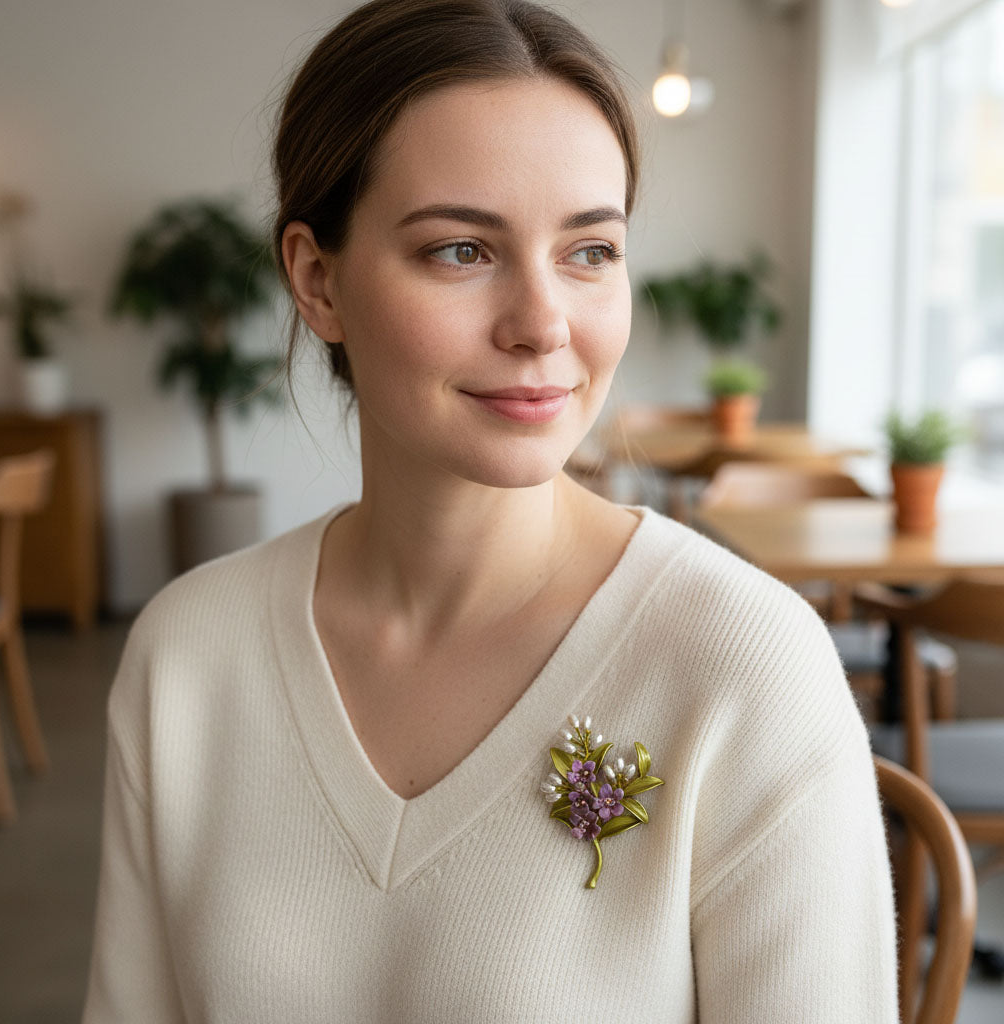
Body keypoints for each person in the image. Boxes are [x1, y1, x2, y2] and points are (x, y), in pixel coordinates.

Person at [83, 1, 898, 1020]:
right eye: (461, 251)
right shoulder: (189, 656)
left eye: (589, 251)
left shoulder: (741, 664)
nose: (543, 324)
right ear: (317, 279)